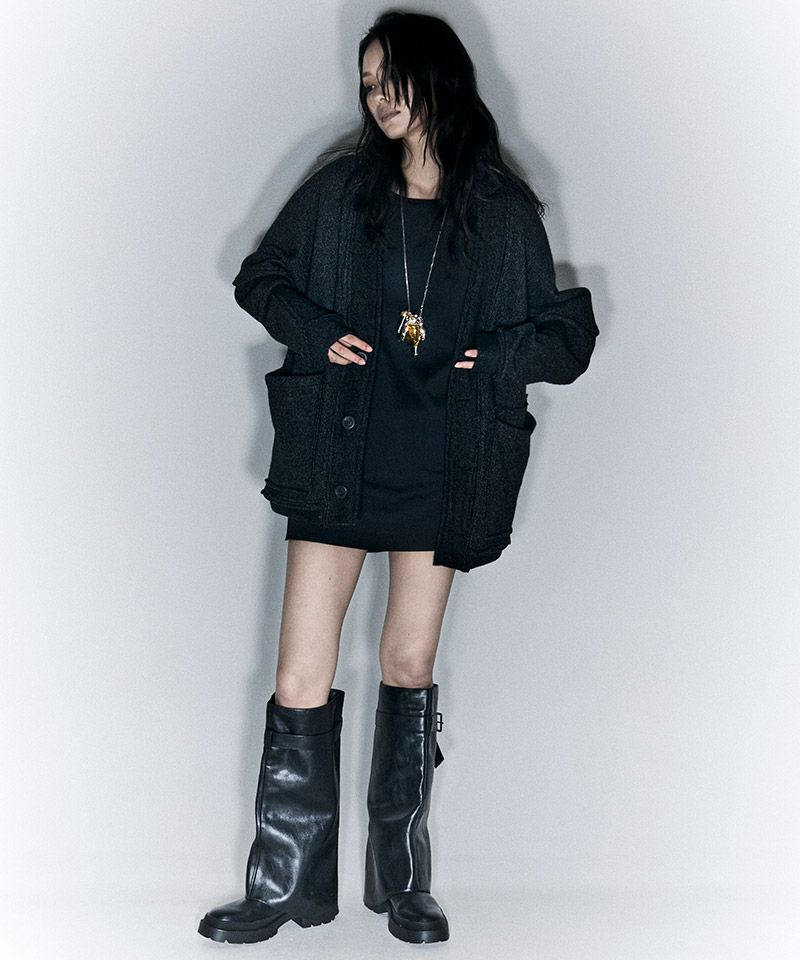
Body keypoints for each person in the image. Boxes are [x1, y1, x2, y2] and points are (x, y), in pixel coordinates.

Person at [198, 8, 598, 948]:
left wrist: (501, 357)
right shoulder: (343, 191)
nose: (377, 98)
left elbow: (568, 337)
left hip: (443, 463)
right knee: (300, 671)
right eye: (368, 83)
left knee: (408, 665)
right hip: (339, 456)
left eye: (391, 79)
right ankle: (282, 884)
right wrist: (311, 331)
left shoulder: (499, 210)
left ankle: (403, 882)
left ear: (437, 79)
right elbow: (260, 277)